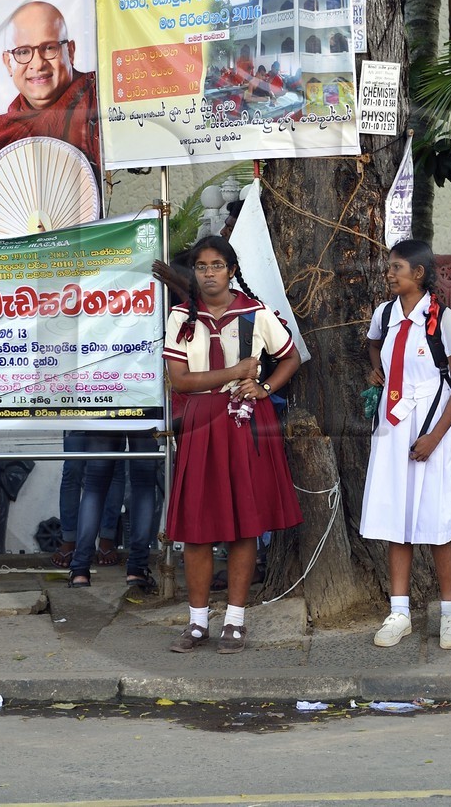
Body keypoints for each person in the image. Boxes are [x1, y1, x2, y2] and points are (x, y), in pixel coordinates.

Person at [162, 235, 301, 654]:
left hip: (245, 421)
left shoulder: (254, 313)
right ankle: (197, 621)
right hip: (201, 422)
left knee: (244, 524)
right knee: (198, 528)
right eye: (201, 266)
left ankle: (236, 620)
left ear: (232, 270)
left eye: (216, 265)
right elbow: (180, 381)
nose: (208, 273)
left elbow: (291, 357)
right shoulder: (181, 317)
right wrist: (235, 371)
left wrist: (264, 386)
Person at [361, 239, 451, 650]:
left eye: (396, 268)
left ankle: (450, 615)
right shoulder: (385, 314)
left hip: (434, 429)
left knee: (438, 521)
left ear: (419, 274)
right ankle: (400, 612)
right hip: (393, 428)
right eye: (389, 268)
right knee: (398, 520)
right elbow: (374, 344)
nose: (389, 274)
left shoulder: (443, 320)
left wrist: (434, 438)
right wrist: (377, 371)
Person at [0, 0, 100, 234]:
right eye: (23, 52)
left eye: (49, 48)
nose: (37, 64)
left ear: (71, 51)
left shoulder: (98, 99)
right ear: (8, 63)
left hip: (95, 252)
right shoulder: (5, 130)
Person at [65, 438, 161, 595]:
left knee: (94, 485)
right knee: (144, 484)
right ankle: (137, 568)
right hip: (144, 415)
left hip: (104, 415)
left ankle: (80, 571)